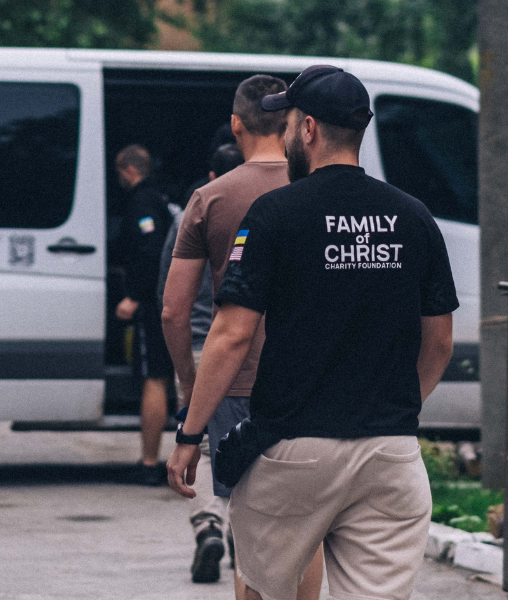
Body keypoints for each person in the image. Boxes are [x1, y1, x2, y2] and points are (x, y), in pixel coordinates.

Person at [167, 65, 458, 600]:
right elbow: (439, 341)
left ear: (307, 130)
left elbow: (231, 335)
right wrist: (391, 408)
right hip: (391, 456)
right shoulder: (414, 217)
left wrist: (190, 434)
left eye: (288, 123)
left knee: (260, 588)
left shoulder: (273, 215)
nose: (282, 136)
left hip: (293, 450)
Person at [163, 76, 324, 594]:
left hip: (234, 385)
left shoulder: (209, 198)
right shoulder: (319, 189)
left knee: (251, 528)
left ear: (236, 125)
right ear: (292, 124)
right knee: (309, 528)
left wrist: (192, 385)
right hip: (312, 382)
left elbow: (173, 310)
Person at [157, 140, 241, 583]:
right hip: (251, 347)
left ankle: (209, 522)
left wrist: (186, 374)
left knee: (203, 443)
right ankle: (241, 530)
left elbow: (170, 301)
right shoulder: (272, 205)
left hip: (200, 343)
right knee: (251, 439)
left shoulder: (198, 208)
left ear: (211, 175)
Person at [112, 144, 174, 486]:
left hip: (152, 302)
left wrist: (134, 296)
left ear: (128, 170)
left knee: (156, 378)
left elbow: (151, 251)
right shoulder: (162, 197)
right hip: (164, 300)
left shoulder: (142, 202)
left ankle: (150, 463)